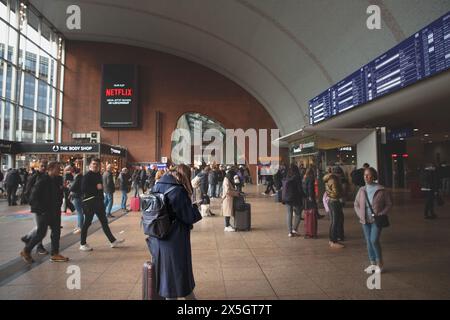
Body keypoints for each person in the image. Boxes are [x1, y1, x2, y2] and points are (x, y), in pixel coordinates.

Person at [147, 164, 202, 300]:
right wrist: (195, 207)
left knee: (167, 275)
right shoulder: (177, 191)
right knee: (177, 274)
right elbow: (189, 216)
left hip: (157, 237)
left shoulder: (157, 186)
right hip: (175, 239)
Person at [20, 161, 68, 263]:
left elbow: (58, 194)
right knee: (41, 233)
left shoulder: (56, 180)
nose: (59, 170)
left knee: (56, 232)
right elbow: (33, 196)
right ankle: (26, 251)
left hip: (54, 210)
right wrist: (40, 210)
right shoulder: (42, 180)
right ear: (50, 169)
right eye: (57, 168)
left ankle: (55, 254)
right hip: (44, 211)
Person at [79, 158, 124, 252]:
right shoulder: (87, 176)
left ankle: (113, 241)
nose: (95, 165)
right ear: (90, 165)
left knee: (104, 222)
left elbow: (100, 189)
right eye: (94, 164)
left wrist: (101, 197)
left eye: (97, 164)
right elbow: (83, 189)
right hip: (89, 203)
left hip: (98, 202)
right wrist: (96, 188)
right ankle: (82, 243)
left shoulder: (98, 175)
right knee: (87, 223)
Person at [354, 167, 392, 273]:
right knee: (368, 242)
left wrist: (381, 213)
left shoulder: (381, 189)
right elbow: (356, 204)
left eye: (368, 175)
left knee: (374, 240)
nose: (366, 177)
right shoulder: (362, 190)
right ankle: (372, 263)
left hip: (376, 219)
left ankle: (380, 263)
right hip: (364, 220)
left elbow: (389, 204)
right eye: (365, 175)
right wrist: (360, 215)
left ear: (373, 176)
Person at [21, 160, 49, 255]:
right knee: (41, 228)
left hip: (43, 206)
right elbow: (27, 191)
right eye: (42, 166)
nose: (43, 167)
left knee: (40, 227)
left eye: (45, 166)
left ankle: (28, 237)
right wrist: (33, 203)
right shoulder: (34, 177)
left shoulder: (46, 177)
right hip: (38, 207)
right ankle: (38, 246)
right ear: (38, 166)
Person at [324, 167, 345, 248]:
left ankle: (333, 239)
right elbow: (336, 193)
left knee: (334, 221)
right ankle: (333, 241)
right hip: (335, 201)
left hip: (331, 201)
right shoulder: (334, 180)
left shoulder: (329, 179)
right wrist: (342, 193)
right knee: (335, 222)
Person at [282, 163, 304, 237]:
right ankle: (295, 229)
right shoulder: (297, 177)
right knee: (298, 213)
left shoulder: (287, 176)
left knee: (289, 213)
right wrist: (304, 195)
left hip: (287, 197)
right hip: (296, 198)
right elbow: (300, 189)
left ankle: (290, 232)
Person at [222, 167, 240, 232]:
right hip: (227, 198)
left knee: (228, 212)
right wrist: (235, 193)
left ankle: (228, 225)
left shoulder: (228, 179)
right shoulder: (226, 180)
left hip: (229, 198)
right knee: (227, 212)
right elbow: (227, 191)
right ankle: (226, 226)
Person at [70, 167, 84, 234]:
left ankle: (80, 227)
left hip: (77, 196)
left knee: (79, 212)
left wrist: (69, 185)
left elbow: (73, 187)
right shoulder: (80, 177)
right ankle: (79, 226)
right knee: (79, 212)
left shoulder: (78, 178)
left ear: (74, 172)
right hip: (79, 196)